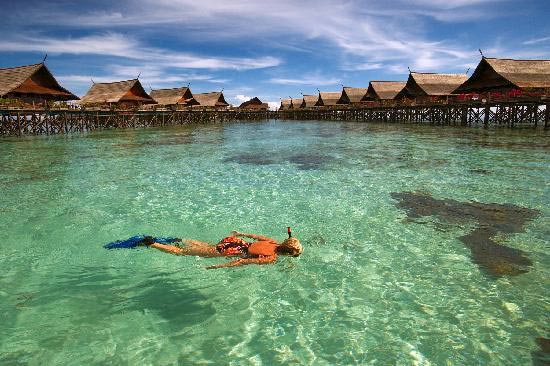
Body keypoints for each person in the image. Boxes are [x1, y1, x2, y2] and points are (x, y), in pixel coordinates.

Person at [140, 230, 302, 269]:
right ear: (287, 254)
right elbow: (241, 261)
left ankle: (180, 239)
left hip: (234, 241)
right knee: (182, 252)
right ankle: (152, 243)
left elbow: (254, 236)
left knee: (209, 246)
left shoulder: (273, 241)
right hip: (232, 251)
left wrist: (240, 233)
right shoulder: (271, 258)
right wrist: (218, 266)